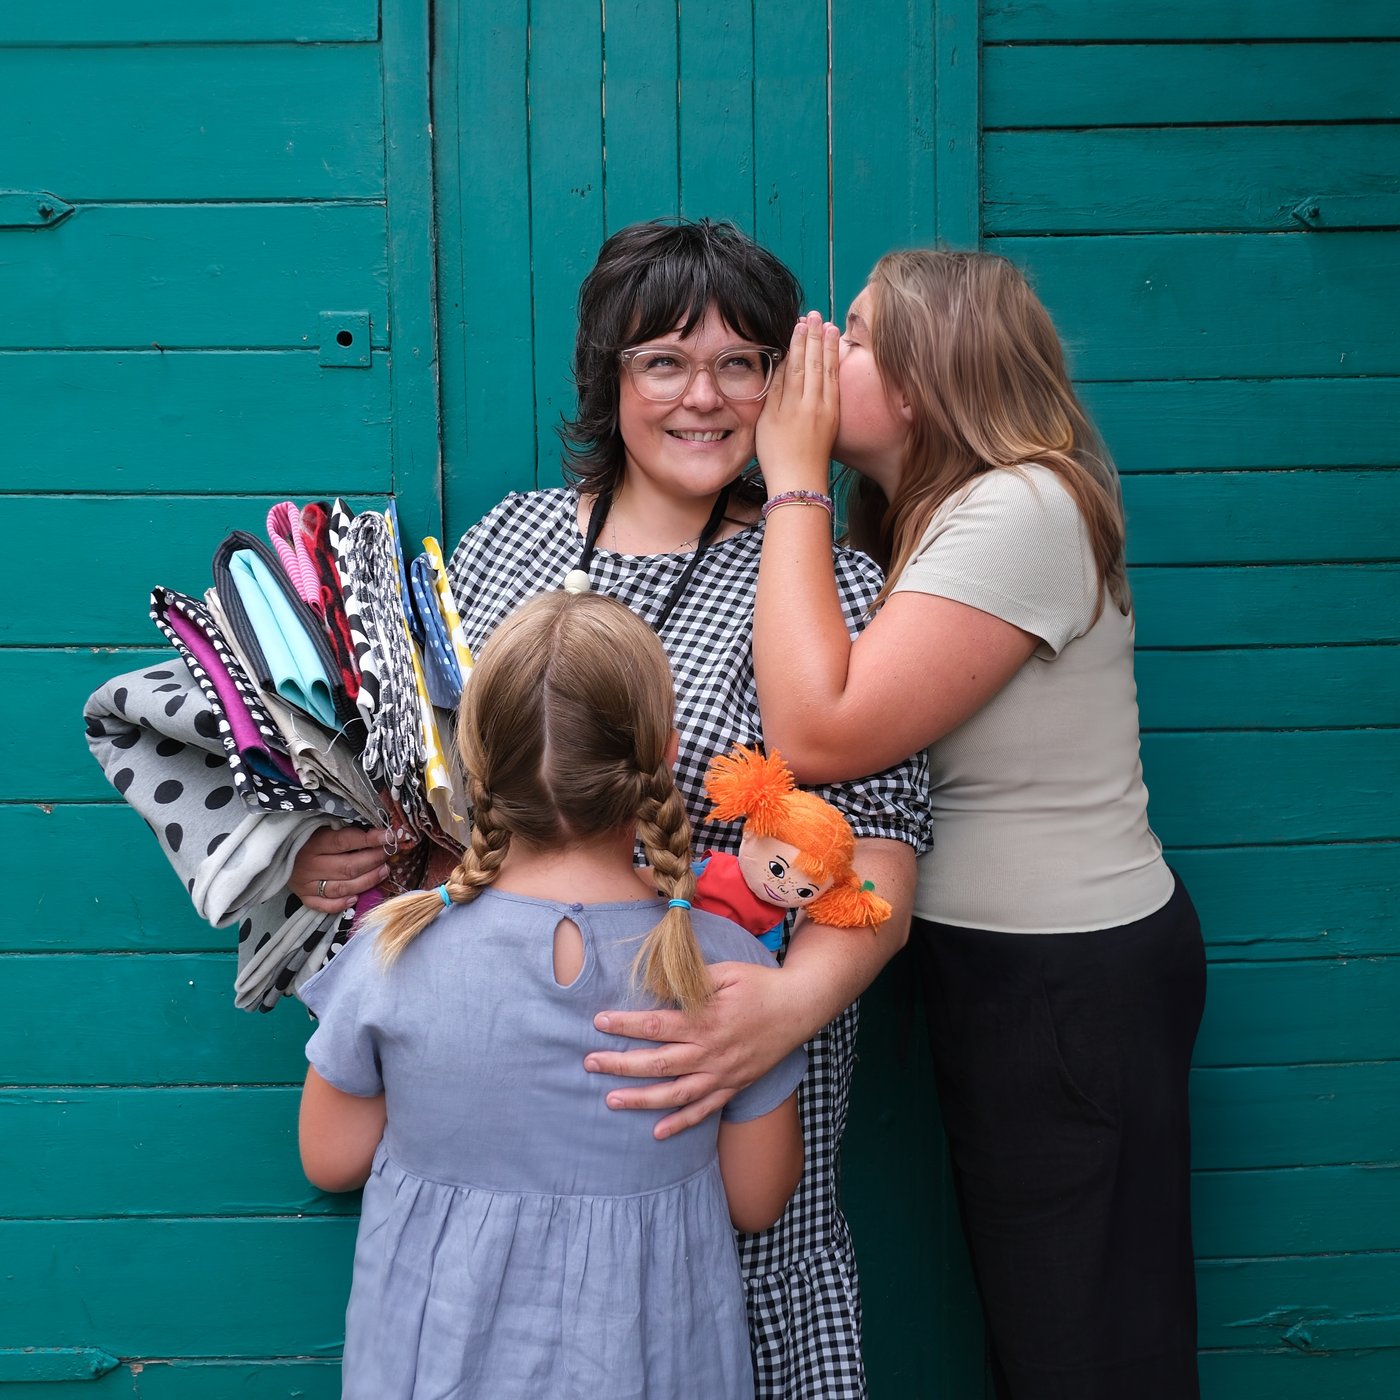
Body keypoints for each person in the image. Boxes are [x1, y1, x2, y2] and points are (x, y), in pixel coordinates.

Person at [287, 219, 929, 1397]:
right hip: (503, 1121)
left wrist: (781, 1009)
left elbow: (885, 844)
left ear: (783, 383)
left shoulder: (827, 580)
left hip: (721, 1083)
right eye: (663, 361)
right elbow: (422, 770)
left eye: (741, 363)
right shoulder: (509, 543)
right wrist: (329, 846)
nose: (704, 396)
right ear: (609, 376)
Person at [751, 250, 1207, 1399]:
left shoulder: (1023, 503)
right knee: (1044, 1327)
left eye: (852, 333)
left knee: (1086, 1349)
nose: (817, 342)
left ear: (921, 376)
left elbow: (822, 724)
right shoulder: (941, 515)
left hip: (1065, 982)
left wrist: (791, 477)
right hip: (1014, 974)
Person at [297, 589, 806, 1398]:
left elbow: (329, 1159)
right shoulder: (733, 970)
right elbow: (756, 1198)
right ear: (664, 755)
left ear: (475, 764)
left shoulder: (392, 950)